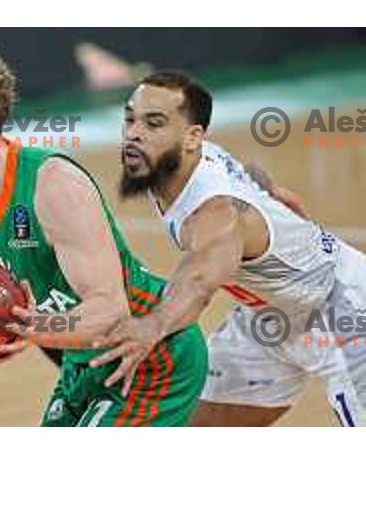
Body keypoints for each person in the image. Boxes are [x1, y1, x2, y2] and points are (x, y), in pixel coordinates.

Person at [0, 41, 207, 426]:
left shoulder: (52, 184)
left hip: (152, 355)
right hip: (82, 361)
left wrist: (28, 326)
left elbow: (109, 310)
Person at [91, 70, 366, 427]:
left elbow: (199, 280)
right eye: (130, 119)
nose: (134, 133)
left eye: (153, 123)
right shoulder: (189, 160)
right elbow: (263, 182)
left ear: (192, 137)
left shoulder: (214, 211)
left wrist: (152, 326)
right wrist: (279, 210)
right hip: (269, 321)